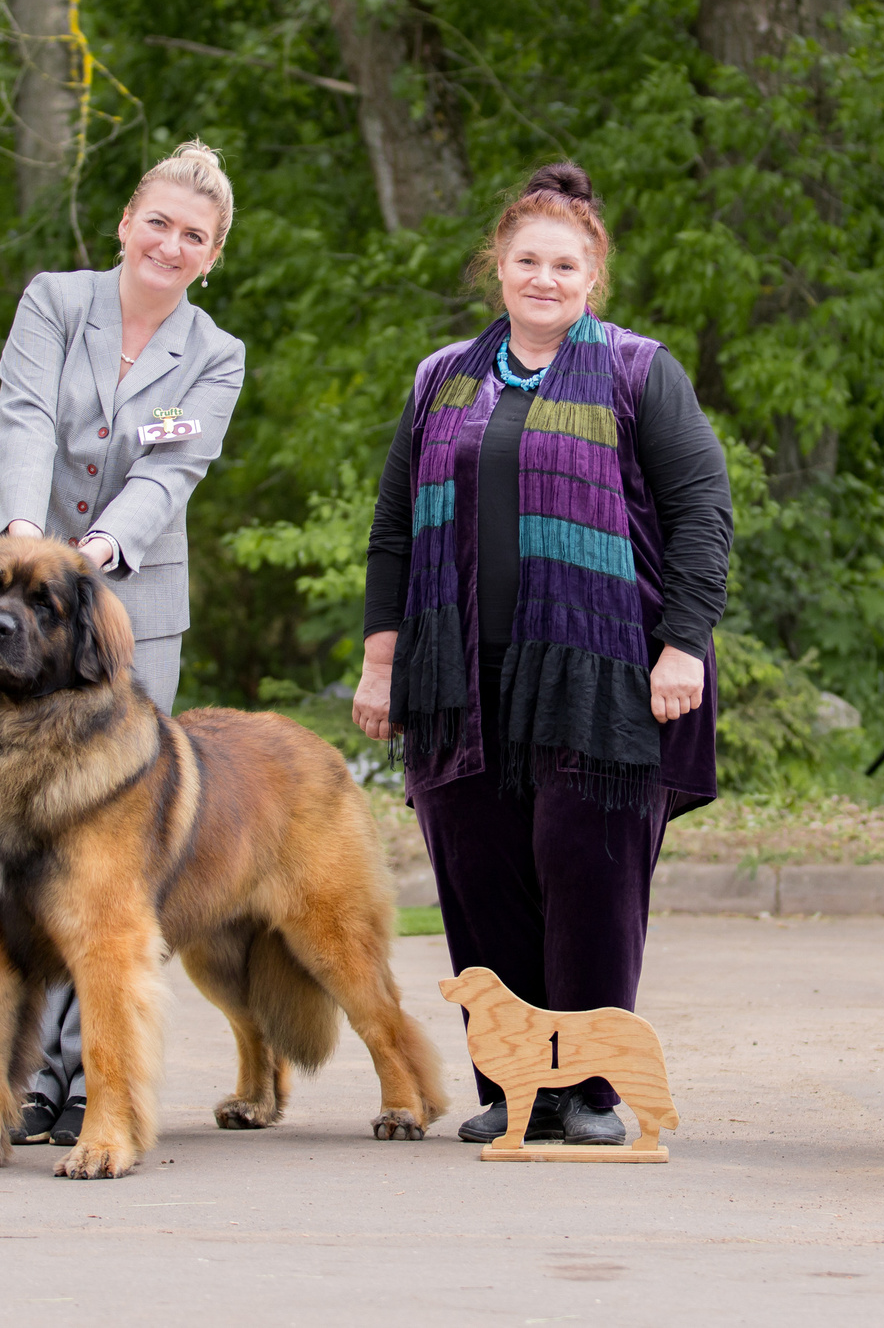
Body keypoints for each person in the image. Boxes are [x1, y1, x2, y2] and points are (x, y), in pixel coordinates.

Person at [353, 163, 731, 1146]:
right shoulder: (443, 377)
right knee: (478, 871)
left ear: (593, 276)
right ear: (499, 267)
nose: (545, 277)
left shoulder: (641, 371)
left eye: (565, 263)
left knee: (588, 873)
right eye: (528, 259)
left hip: (603, 670)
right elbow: (393, 526)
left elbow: (701, 513)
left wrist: (682, 644)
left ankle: (590, 1092)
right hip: (460, 673)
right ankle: (514, 1091)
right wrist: (380, 661)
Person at [0, 139, 246, 1146]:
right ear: (124, 222)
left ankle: (76, 1078)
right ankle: (14, 1082)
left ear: (210, 256)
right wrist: (28, 534)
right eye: (157, 221)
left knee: (101, 862)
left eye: (193, 235)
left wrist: (100, 551)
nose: (170, 241)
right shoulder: (54, 302)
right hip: (11, 583)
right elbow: (21, 417)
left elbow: (171, 477)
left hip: (125, 610)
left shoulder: (215, 354)